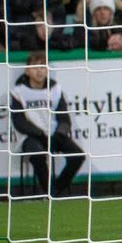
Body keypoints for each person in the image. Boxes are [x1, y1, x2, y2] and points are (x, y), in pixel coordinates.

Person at [8, 52, 83, 198]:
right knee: (37, 155)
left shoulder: (55, 90)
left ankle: (55, 189)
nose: (39, 71)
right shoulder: (18, 92)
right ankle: (49, 191)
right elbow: (19, 122)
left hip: (54, 134)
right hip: (31, 136)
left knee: (78, 156)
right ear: (27, 71)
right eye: (35, 67)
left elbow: (64, 118)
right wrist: (39, 133)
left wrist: (60, 132)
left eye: (42, 67)